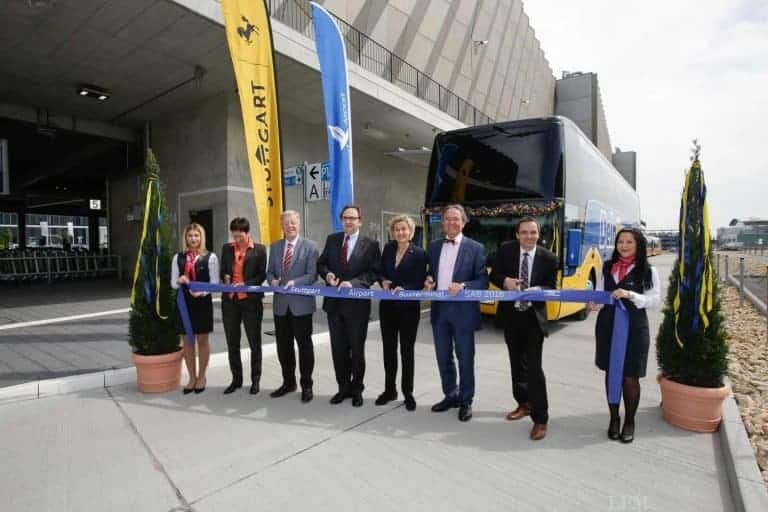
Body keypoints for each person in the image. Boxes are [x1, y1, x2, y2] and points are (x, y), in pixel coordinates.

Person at [489, 216, 558, 441]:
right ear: (517, 235)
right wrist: (506, 281)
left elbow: (552, 287)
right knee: (516, 366)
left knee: (534, 370)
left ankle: (541, 419)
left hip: (533, 320)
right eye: (524, 232)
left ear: (539, 234)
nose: (529, 236)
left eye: (533, 232)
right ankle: (523, 403)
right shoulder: (506, 251)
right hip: (511, 317)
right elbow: (494, 275)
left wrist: (539, 289)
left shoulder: (549, 258)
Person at [590, 227, 660, 443]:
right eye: (621, 242)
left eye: (629, 242)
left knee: (630, 376)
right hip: (608, 327)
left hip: (635, 329)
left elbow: (654, 300)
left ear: (638, 245)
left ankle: (629, 420)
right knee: (612, 374)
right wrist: (595, 302)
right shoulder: (607, 266)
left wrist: (630, 294)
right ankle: (613, 418)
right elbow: (602, 293)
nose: (624, 246)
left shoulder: (648, 270)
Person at [424, 204, 488, 422]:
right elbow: (430, 273)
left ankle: (466, 400)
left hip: (463, 312)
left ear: (463, 222)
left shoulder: (476, 248)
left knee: (465, 358)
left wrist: (463, 286)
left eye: (455, 219)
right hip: (440, 311)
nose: (451, 222)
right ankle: (450, 394)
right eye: (447, 219)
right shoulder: (433, 247)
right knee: (443, 357)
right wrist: (429, 280)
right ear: (443, 223)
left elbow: (483, 281)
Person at [317, 205, 381, 407]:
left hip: (357, 307)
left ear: (360, 220)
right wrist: (327, 275)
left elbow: (373, 273)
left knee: (356, 350)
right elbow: (321, 264)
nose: (348, 221)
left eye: (352, 218)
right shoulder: (332, 239)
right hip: (334, 306)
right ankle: (342, 388)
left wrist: (352, 284)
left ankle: (357, 389)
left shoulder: (370, 244)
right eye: (345, 218)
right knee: (338, 350)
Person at [266, 210, 320, 403]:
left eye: (293, 223)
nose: (290, 226)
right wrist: (272, 281)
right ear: (282, 226)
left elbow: (312, 275)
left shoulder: (311, 247)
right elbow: (269, 272)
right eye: (286, 223)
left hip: (301, 306)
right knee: (284, 346)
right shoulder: (275, 247)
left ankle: (307, 385)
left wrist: (295, 283)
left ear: (299, 224)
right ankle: (288, 382)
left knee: (304, 346)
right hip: (281, 306)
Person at [377, 215, 427, 411]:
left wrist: (405, 288)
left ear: (411, 231)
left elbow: (420, 280)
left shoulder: (420, 253)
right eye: (397, 229)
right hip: (388, 308)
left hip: (408, 309)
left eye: (404, 229)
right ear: (393, 232)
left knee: (407, 352)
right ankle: (390, 390)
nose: (400, 232)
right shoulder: (388, 249)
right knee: (388, 351)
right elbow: (380, 271)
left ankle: (408, 393)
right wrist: (383, 282)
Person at [219, 217, 267, 395]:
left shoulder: (260, 250)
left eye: (240, 236)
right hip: (230, 301)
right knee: (232, 342)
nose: (237, 240)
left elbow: (261, 276)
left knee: (255, 343)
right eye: (234, 236)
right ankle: (236, 379)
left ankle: (255, 380)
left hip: (250, 302)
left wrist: (245, 283)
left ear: (248, 233)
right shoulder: (227, 248)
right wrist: (225, 277)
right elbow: (223, 270)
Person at [171, 223, 219, 394]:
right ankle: (191, 377)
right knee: (188, 343)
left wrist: (202, 292)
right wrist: (180, 280)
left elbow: (214, 284)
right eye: (190, 235)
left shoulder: (211, 257)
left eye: (196, 236)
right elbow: (173, 283)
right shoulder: (178, 257)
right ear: (186, 238)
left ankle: (202, 376)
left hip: (202, 303)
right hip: (184, 304)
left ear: (201, 237)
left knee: (202, 341)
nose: (193, 239)